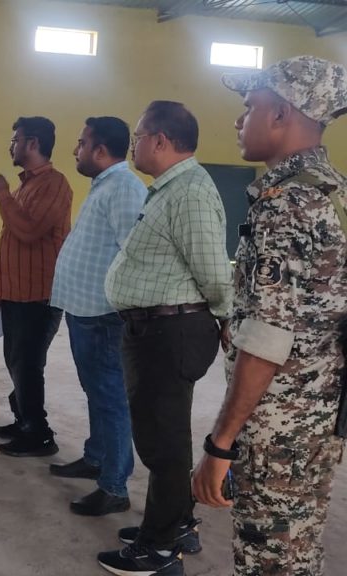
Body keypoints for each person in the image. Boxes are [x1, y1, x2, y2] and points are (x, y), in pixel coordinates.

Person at [191, 55, 347, 576]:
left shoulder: (286, 202)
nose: (239, 120)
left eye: (249, 106)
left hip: (278, 427)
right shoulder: (334, 191)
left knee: (271, 560)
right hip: (320, 416)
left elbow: (267, 337)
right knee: (297, 549)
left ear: (281, 113)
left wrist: (221, 442)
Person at [98, 101, 233, 575]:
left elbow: (214, 272)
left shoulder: (190, 192)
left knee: (163, 442)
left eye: (138, 136)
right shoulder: (172, 188)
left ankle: (158, 549)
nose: (133, 145)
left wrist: (226, 318)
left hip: (169, 331)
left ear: (159, 140)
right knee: (164, 435)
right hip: (157, 328)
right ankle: (175, 523)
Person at [49, 117, 146, 516]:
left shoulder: (124, 188)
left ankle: (114, 485)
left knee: (110, 398)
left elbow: (134, 253)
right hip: (85, 309)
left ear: (100, 149)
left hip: (104, 314)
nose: (76, 150)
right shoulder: (105, 185)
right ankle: (97, 457)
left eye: (81, 143)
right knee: (96, 392)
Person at [0, 116, 73, 457]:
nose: (11, 145)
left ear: (33, 143)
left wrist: (2, 196)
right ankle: (24, 419)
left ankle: (39, 434)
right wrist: (2, 292)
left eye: (16, 139)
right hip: (15, 293)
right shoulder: (26, 185)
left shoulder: (54, 184)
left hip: (39, 295)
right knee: (15, 360)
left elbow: (28, 230)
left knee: (28, 365)